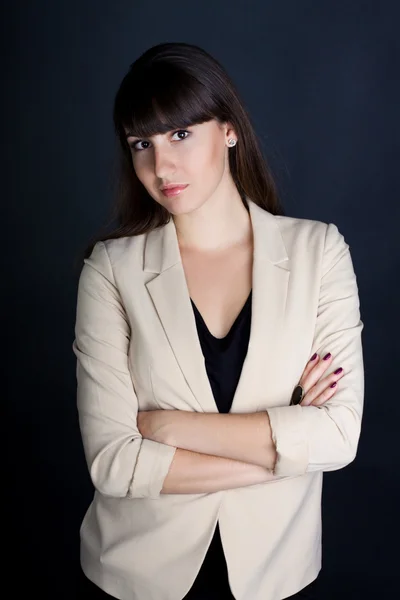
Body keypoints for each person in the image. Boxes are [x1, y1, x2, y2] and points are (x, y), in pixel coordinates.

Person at [72, 42, 365, 600]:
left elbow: (339, 435)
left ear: (228, 130)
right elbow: (113, 463)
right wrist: (289, 454)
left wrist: (169, 428)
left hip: (275, 570)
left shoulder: (318, 252)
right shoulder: (111, 271)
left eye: (180, 134)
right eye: (142, 144)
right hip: (138, 575)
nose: (161, 166)